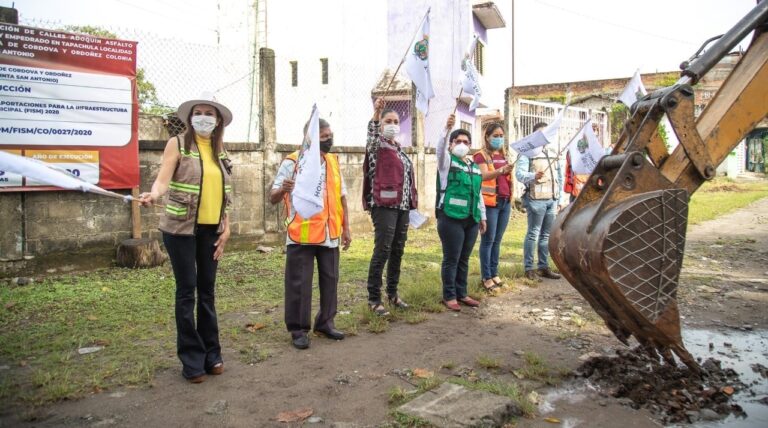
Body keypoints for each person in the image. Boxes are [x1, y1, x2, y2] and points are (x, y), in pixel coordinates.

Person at [138, 92, 233, 383]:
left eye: (209, 113)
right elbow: (163, 179)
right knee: (187, 290)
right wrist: (153, 194)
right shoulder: (177, 144)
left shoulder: (222, 151)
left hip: (210, 231)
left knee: (207, 292)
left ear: (217, 121)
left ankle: (212, 354)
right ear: (190, 117)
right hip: (180, 230)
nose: (203, 117)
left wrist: (226, 228)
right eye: (199, 112)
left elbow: (225, 195)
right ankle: (191, 360)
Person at [270, 118, 351, 350]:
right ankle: (298, 329)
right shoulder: (292, 162)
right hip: (301, 233)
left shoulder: (333, 162)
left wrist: (346, 227)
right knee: (299, 283)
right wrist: (283, 189)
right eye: (324, 137)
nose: (329, 140)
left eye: (330, 135)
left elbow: (342, 196)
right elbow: (273, 196)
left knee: (330, 280)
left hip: (330, 232)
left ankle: (325, 322)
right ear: (310, 139)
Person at [363, 97, 418, 316]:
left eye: (396, 121)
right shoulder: (377, 147)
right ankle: (374, 299)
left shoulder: (399, 149)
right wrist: (376, 115)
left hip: (403, 207)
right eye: (389, 121)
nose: (393, 124)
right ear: (382, 124)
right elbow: (372, 134)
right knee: (383, 249)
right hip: (384, 206)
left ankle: (393, 294)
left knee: (397, 250)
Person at [436, 114, 487, 311]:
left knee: (464, 258)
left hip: (471, 218)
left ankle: (462, 293)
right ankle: (449, 296)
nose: (462, 144)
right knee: (452, 258)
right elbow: (439, 150)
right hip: (450, 217)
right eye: (458, 141)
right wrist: (446, 129)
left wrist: (482, 217)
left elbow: (478, 193)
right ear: (451, 144)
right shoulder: (447, 163)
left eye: (466, 142)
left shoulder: (473, 167)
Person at [514, 122, 563, 282]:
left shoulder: (553, 152)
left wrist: (559, 198)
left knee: (546, 235)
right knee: (533, 233)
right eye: (540, 134)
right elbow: (520, 174)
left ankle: (544, 266)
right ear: (534, 137)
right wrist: (533, 176)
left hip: (552, 199)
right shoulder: (527, 153)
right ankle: (529, 268)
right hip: (535, 199)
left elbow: (559, 176)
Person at [473, 122, 514, 291]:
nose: (499, 139)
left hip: (505, 201)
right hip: (490, 204)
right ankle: (486, 276)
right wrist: (501, 171)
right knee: (488, 240)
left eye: (501, 136)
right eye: (495, 136)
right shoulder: (480, 155)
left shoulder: (503, 155)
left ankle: (494, 273)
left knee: (497, 240)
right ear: (487, 137)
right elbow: (482, 176)